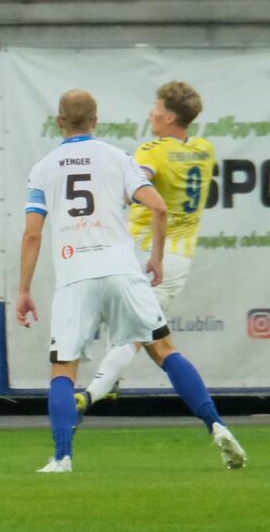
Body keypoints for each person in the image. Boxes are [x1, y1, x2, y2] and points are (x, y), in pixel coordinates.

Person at [15, 90, 245, 473]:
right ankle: (217, 424)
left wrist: (24, 290)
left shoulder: (43, 168)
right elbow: (156, 206)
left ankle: (62, 457)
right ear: (95, 120)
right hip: (122, 268)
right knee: (163, 349)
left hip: (75, 275)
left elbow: (33, 235)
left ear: (59, 122)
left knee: (64, 367)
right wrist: (155, 258)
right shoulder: (118, 158)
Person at [77, 82, 215, 412]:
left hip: (144, 251)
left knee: (137, 331)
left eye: (155, 108)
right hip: (176, 256)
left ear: (168, 116)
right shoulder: (205, 150)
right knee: (138, 327)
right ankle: (105, 385)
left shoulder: (153, 150)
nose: (150, 113)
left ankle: (93, 391)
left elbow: (136, 183)